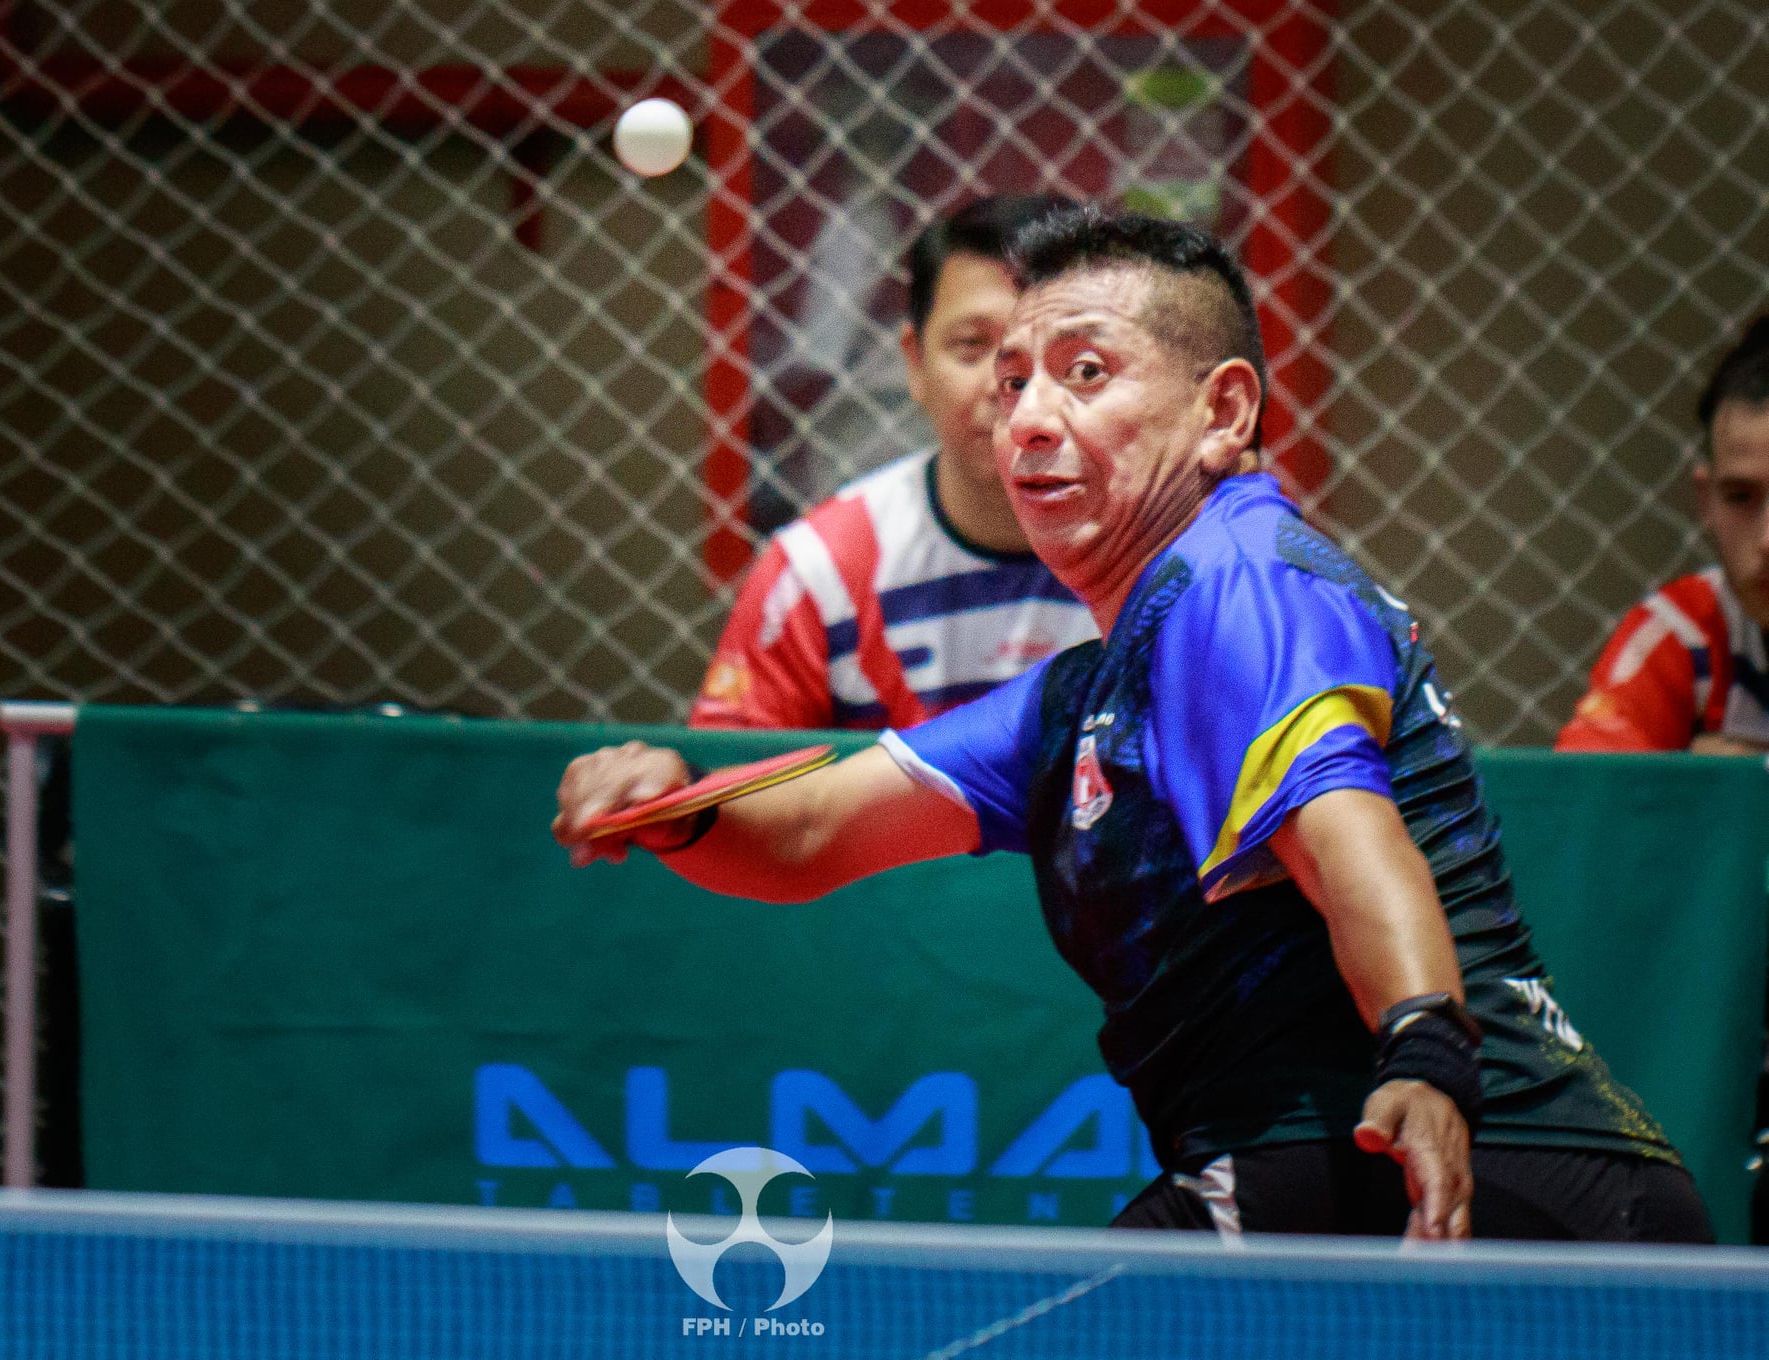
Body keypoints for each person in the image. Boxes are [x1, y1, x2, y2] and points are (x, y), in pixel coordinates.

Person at [558, 209, 1710, 1244]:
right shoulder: (1089, 691)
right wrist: (672, 804)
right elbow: (813, 834)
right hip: (1359, 1175)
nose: (1026, 419)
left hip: (1460, 1168)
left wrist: (1421, 1047)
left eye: (1085, 371)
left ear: (1222, 411)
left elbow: (1345, 825)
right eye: (1010, 382)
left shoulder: (1242, 576)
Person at [691, 195, 1100, 730]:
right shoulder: (819, 570)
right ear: (915, 362)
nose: (1014, 387)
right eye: (974, 347)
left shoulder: (1169, 551)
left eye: (1064, 355)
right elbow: (729, 790)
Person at [1558, 316, 1769, 753]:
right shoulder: (1681, 633)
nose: (1768, 540)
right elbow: (1589, 801)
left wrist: (1738, 787)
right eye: (1740, 497)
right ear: (1706, 498)